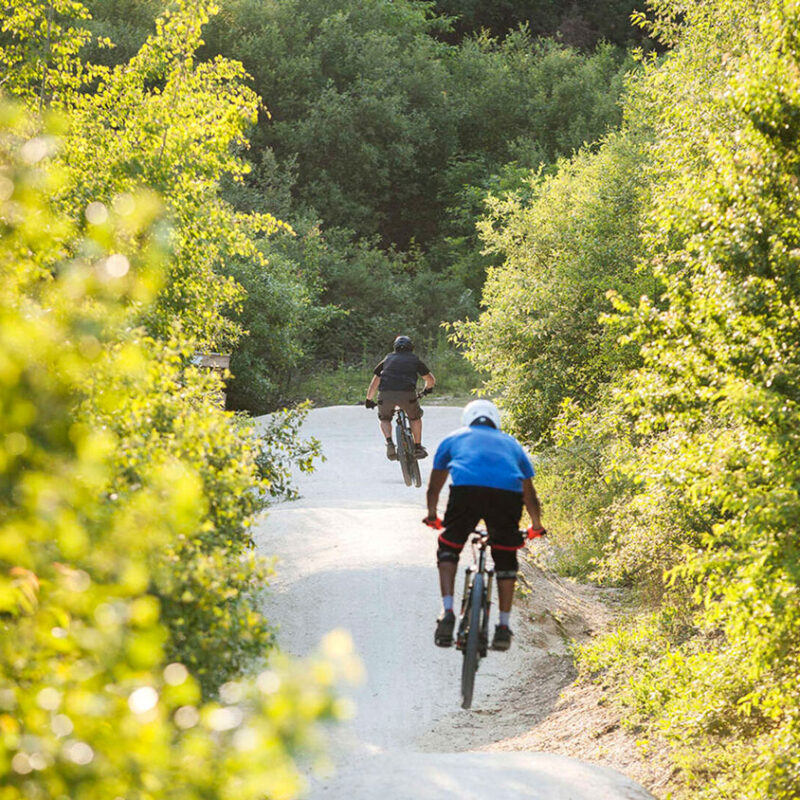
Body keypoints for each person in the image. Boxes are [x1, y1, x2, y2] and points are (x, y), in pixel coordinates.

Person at [423, 399, 545, 651]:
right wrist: (536, 525)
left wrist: (433, 514)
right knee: (505, 556)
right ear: (495, 421)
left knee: (449, 546)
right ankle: (502, 626)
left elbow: (435, 486)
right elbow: (529, 493)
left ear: (468, 419)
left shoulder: (453, 439)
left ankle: (447, 611)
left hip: (466, 493)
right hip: (506, 497)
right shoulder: (512, 444)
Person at [365, 335, 435, 461]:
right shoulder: (415, 360)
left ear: (395, 348)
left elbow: (374, 382)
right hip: (407, 395)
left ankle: (390, 443)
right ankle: (418, 447)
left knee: (385, 418)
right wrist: (427, 390)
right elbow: (430, 380)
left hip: (385, 395)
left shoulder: (387, 359)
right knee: (415, 418)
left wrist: (369, 399)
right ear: (411, 348)